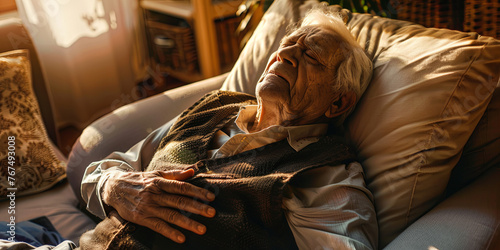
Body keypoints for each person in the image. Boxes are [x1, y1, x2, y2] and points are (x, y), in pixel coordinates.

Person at [79, 5, 377, 250]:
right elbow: (102, 171)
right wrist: (114, 187)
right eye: (288, 45)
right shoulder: (214, 106)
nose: (284, 56)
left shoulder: (326, 175)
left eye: (311, 55)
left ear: (338, 104)